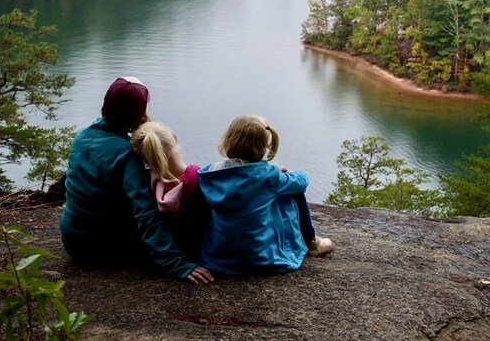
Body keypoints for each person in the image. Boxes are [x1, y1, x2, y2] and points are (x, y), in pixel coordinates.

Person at [59, 76, 213, 284]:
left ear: (105, 104)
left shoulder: (81, 137)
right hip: (100, 248)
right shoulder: (126, 155)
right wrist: (177, 263)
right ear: (138, 113)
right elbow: (146, 213)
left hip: (72, 239)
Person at [198, 114, 333, 275]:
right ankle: (312, 242)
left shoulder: (211, 173)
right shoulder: (269, 175)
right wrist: (287, 173)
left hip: (219, 257)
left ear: (228, 140)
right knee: (293, 191)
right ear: (263, 147)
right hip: (261, 258)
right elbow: (302, 181)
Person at [131, 121, 211, 258]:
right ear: (175, 137)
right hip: (197, 251)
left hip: (167, 249)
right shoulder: (199, 178)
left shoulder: (145, 184)